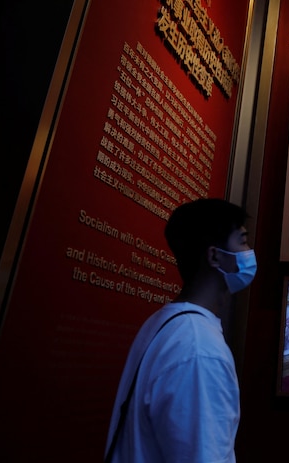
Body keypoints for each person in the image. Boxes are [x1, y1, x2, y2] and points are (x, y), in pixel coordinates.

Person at [104, 198, 256, 463]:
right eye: (242, 242)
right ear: (215, 256)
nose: (249, 252)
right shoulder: (200, 349)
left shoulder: (164, 323)